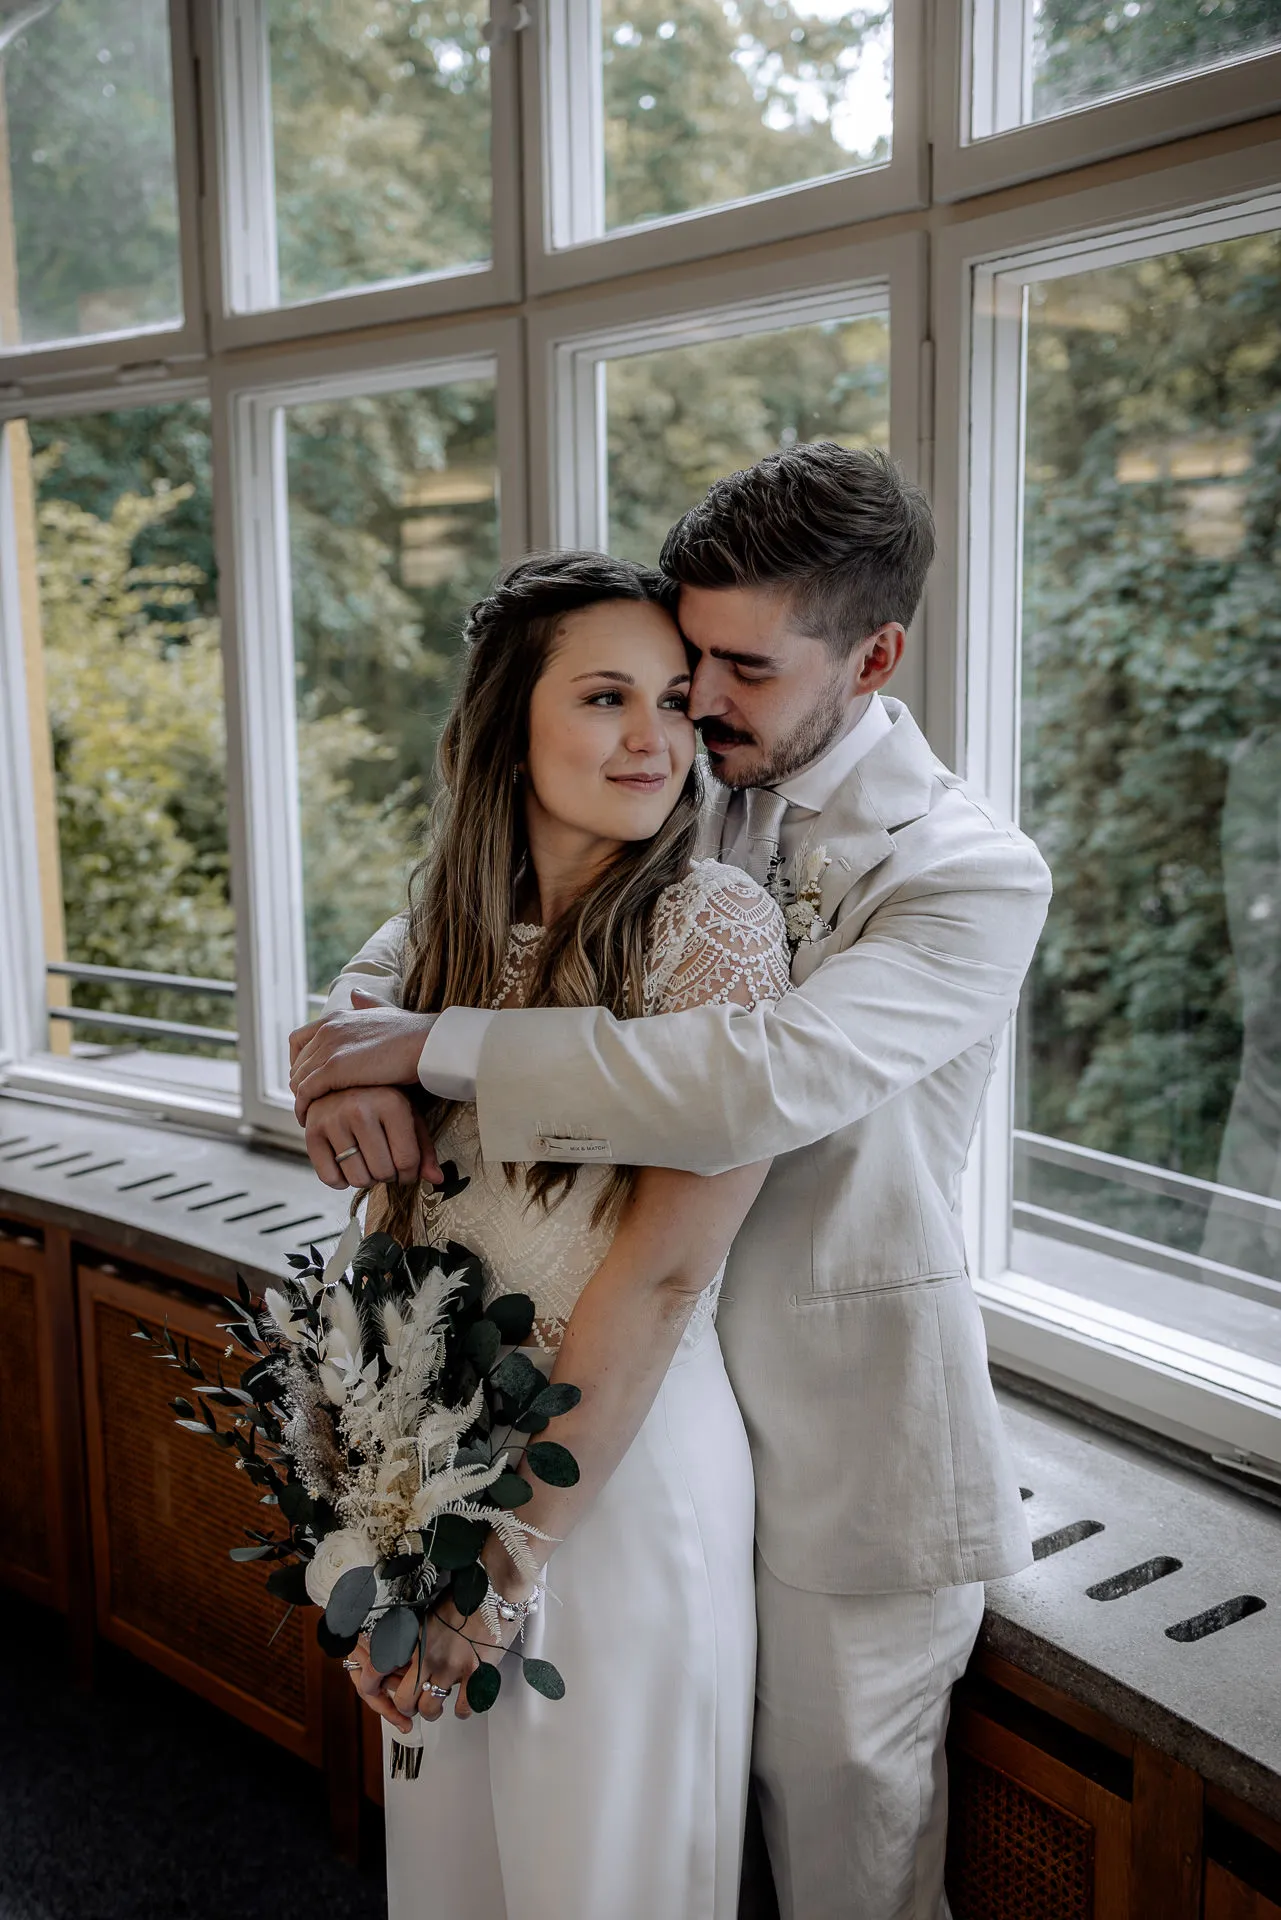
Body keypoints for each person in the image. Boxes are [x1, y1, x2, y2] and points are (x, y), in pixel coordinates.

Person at [291, 445, 1054, 1920]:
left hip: (840, 1452)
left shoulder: (967, 871)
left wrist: (429, 1047)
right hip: (600, 1407)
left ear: (875, 656)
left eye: (740, 666)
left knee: (844, 1877)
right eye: (681, 656)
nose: (694, 700)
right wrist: (354, 1056)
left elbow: (746, 1082)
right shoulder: (683, 771)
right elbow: (459, 913)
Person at [313, 550, 791, 1920]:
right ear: (504, 731)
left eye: (674, 701)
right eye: (604, 698)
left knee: (603, 1883)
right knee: (452, 1873)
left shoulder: (714, 931)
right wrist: (389, 1515)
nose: (655, 739)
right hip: (432, 1453)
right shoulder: (438, 932)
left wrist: (502, 1570)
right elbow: (325, 1034)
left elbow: (663, 1272)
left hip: (617, 1485)